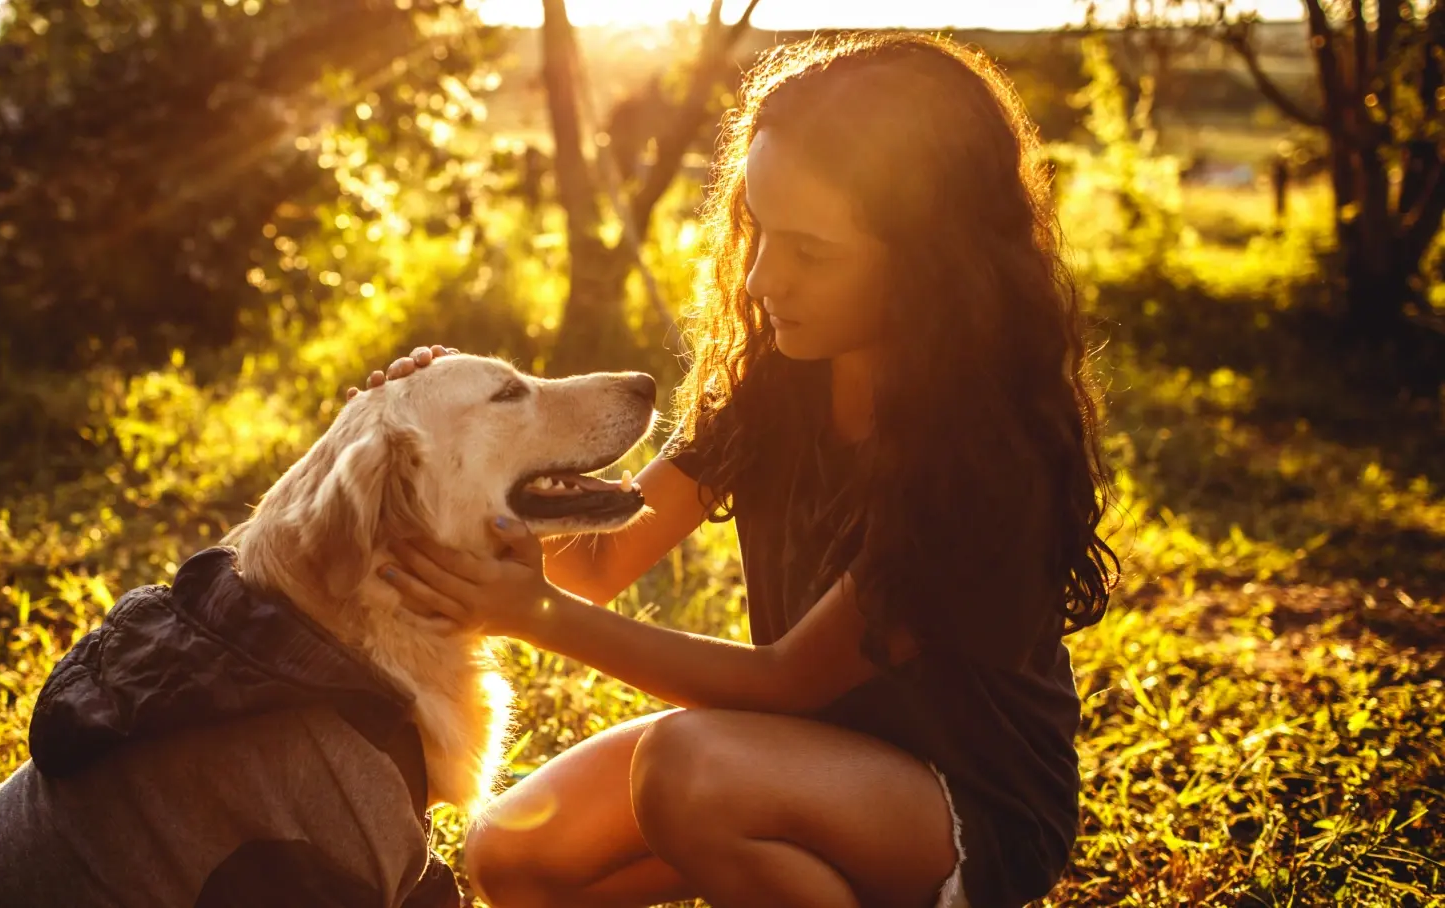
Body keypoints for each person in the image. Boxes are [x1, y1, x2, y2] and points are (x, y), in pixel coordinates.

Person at [352, 31, 1119, 908]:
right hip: (792, 763)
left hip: (967, 809)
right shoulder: (779, 388)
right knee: (511, 858)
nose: (760, 279)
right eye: (758, 232)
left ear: (932, 263)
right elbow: (599, 562)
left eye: (810, 251)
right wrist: (451, 450)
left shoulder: (983, 458)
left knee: (685, 770)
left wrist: (534, 614)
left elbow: (788, 680)